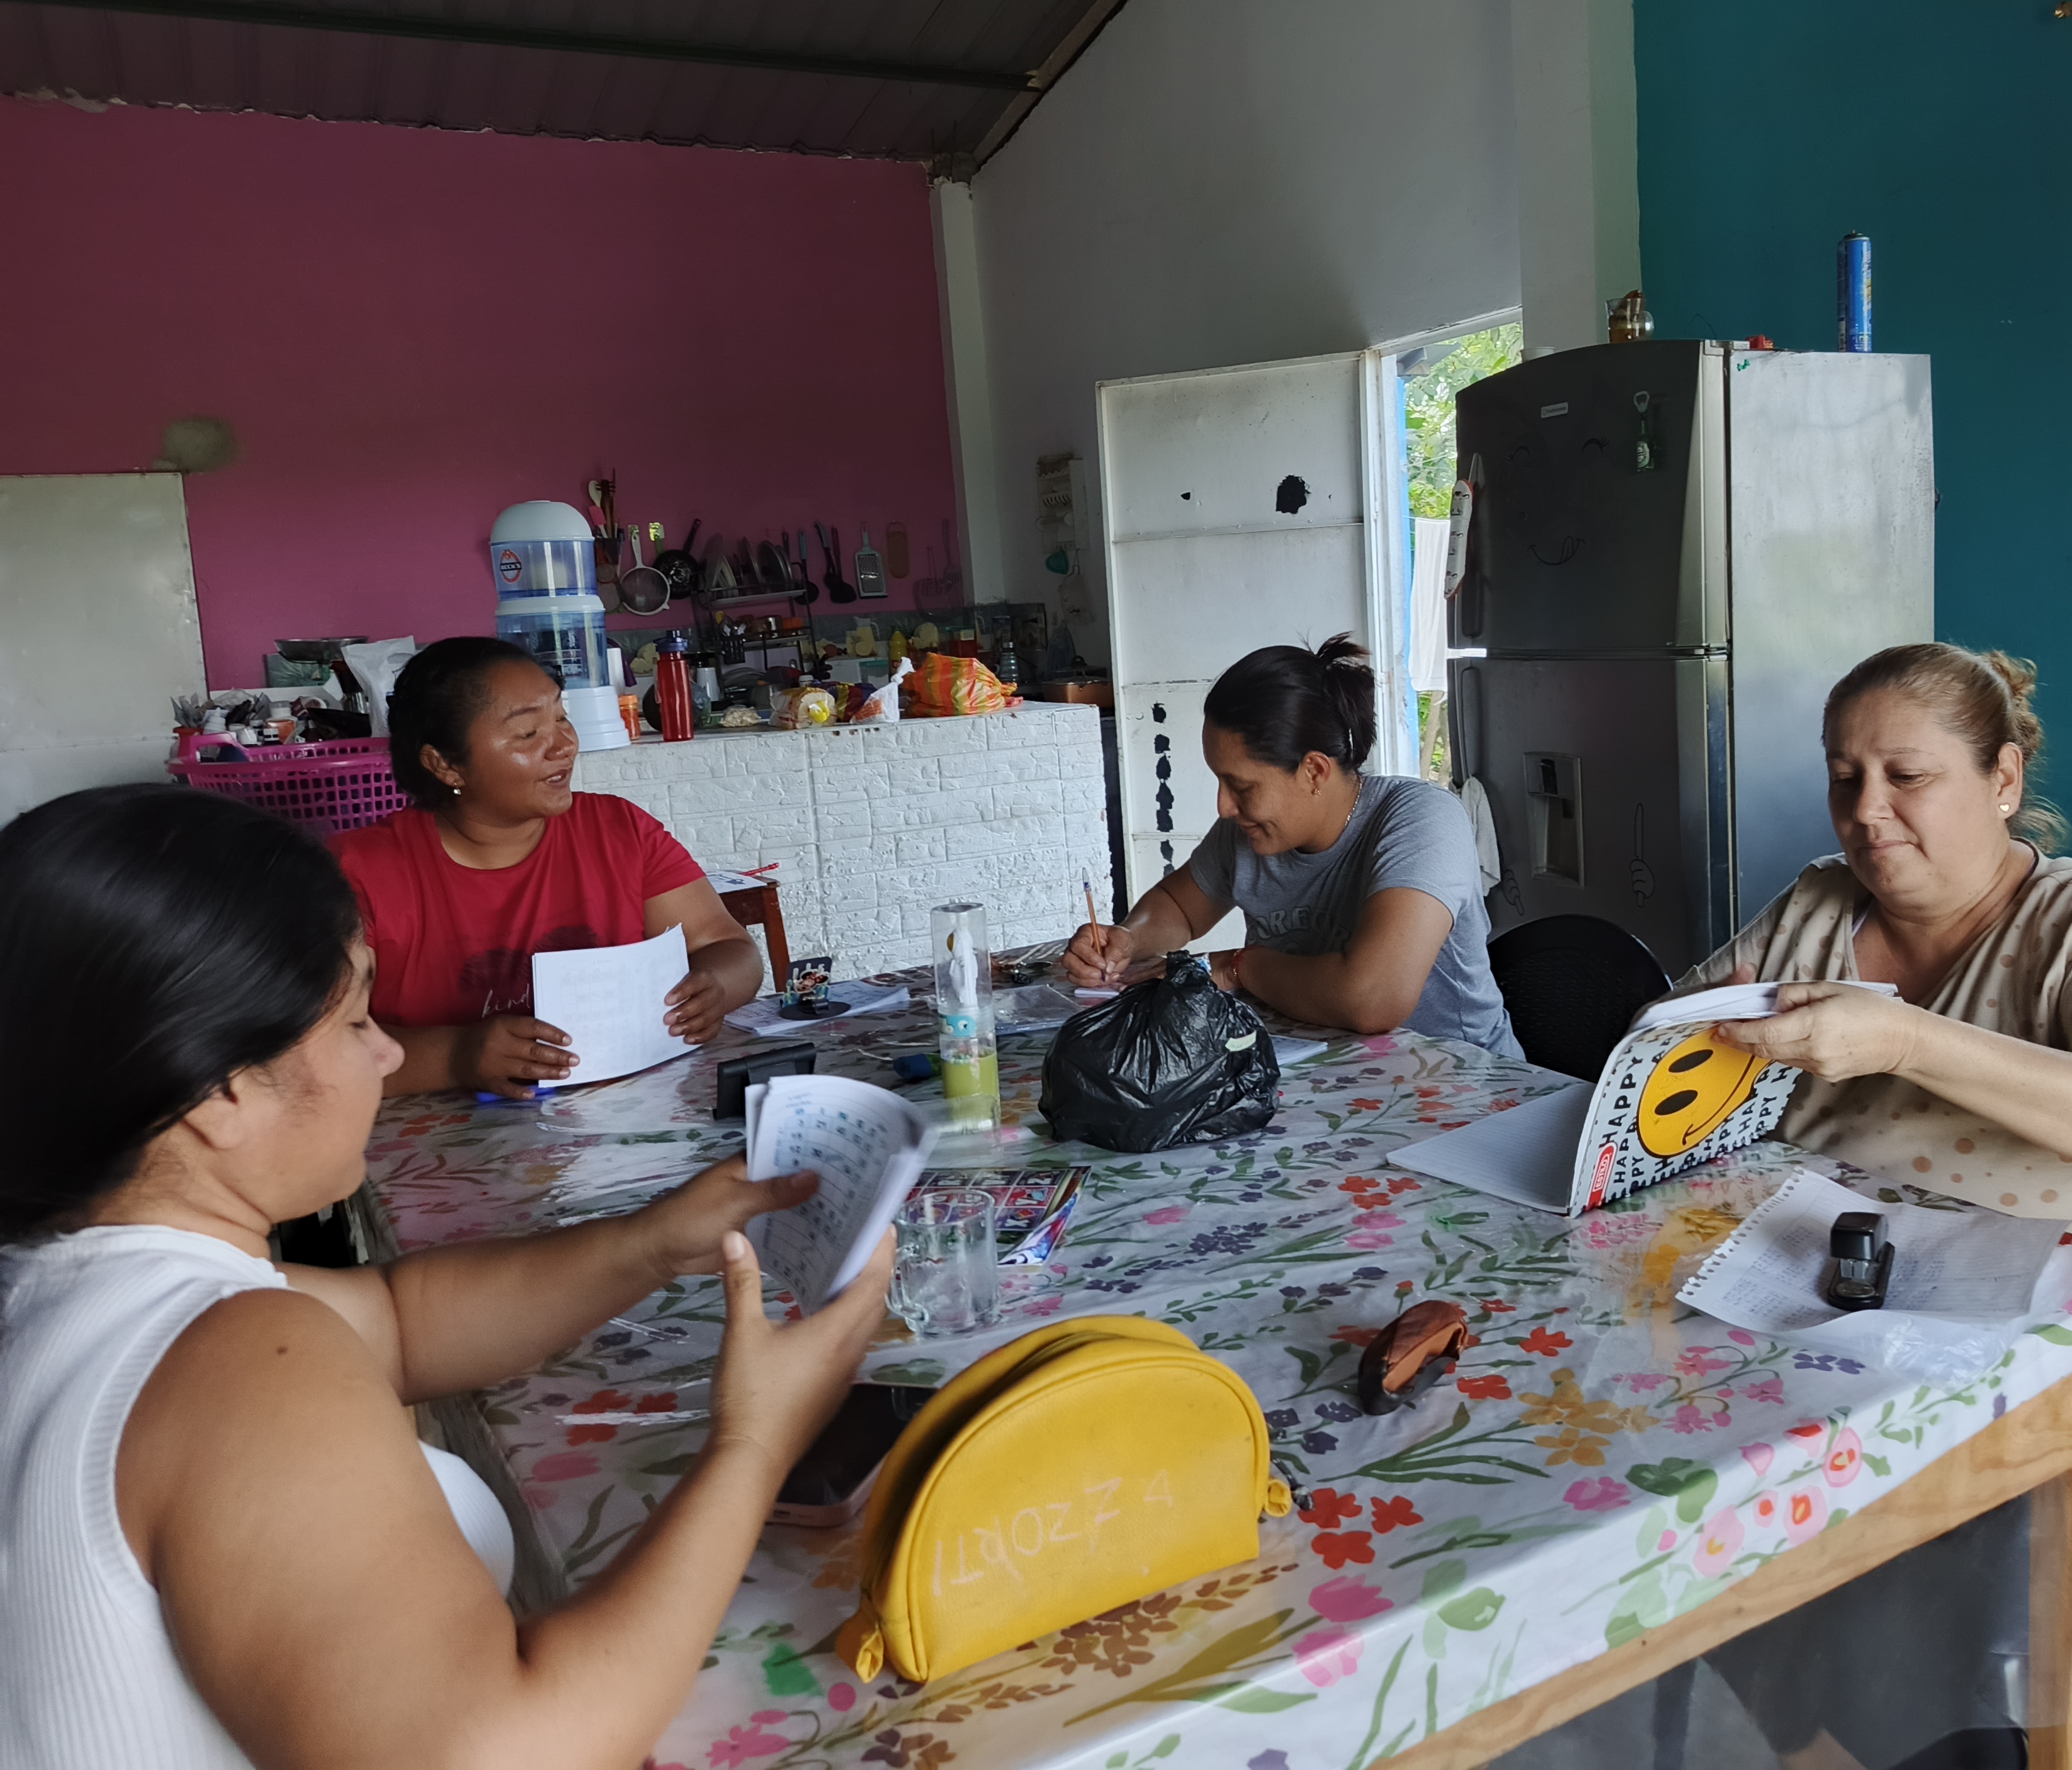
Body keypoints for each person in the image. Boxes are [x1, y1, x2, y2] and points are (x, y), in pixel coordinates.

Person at [0, 785, 892, 1769]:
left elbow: (398, 1320)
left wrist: (653, 1242)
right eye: (355, 1020)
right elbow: (509, 1752)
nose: (389, 1054)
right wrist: (758, 1442)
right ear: (223, 1092)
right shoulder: (232, 1367)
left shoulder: (65, 1283)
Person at [1688, 641, 2072, 1272]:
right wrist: (1691, 1040)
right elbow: (1653, 1061)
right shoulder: (1819, 900)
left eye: (1907, 777)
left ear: (2003, 779)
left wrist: (1906, 1042)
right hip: (1833, 1279)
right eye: (1844, 779)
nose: (1864, 810)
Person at [334, 637, 764, 1096]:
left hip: (623, 1117)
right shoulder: (358, 871)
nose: (564, 745)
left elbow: (730, 948)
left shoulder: (619, 831)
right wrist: (455, 1057)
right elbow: (311, 1049)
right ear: (445, 765)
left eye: (561, 717)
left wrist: (713, 988)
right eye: (527, 734)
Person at [1065, 635, 1519, 1057]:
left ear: (1314, 771)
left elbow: (1373, 1000)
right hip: (1326, 1072)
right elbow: (1179, 907)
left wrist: (1239, 968)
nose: (1224, 806)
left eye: (1241, 786)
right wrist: (1128, 939)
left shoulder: (1421, 820)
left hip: (1465, 1084)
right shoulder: (1249, 829)